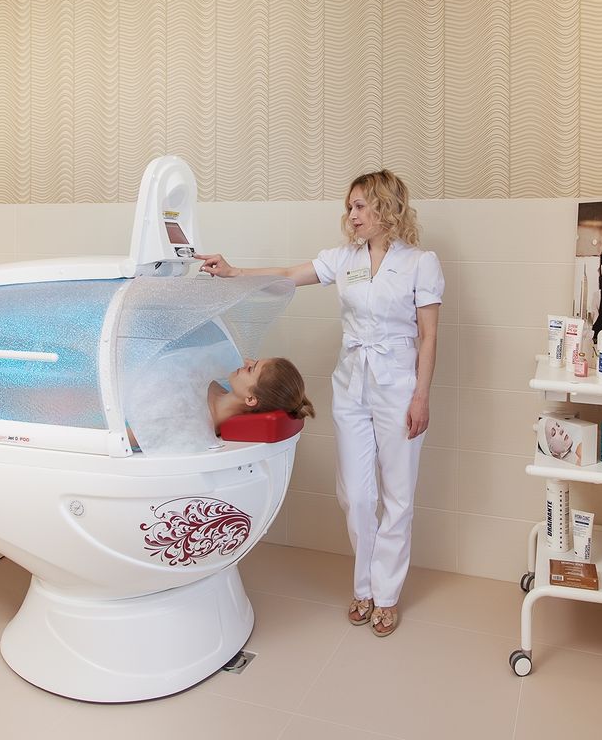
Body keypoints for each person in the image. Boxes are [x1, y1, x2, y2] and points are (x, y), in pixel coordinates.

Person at [196, 169, 442, 638]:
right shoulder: (344, 258)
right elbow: (290, 275)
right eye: (350, 207)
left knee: (398, 495)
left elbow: (429, 335)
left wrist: (421, 395)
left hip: (399, 388)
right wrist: (234, 272)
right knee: (356, 495)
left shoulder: (420, 263)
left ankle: (385, 594)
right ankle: (364, 585)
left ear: (385, 207)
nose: (352, 216)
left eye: (360, 206)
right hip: (351, 386)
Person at [127, 356, 314, 452]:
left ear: (250, 399)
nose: (246, 362)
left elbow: (130, 438)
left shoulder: (194, 423)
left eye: (251, 369)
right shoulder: (217, 387)